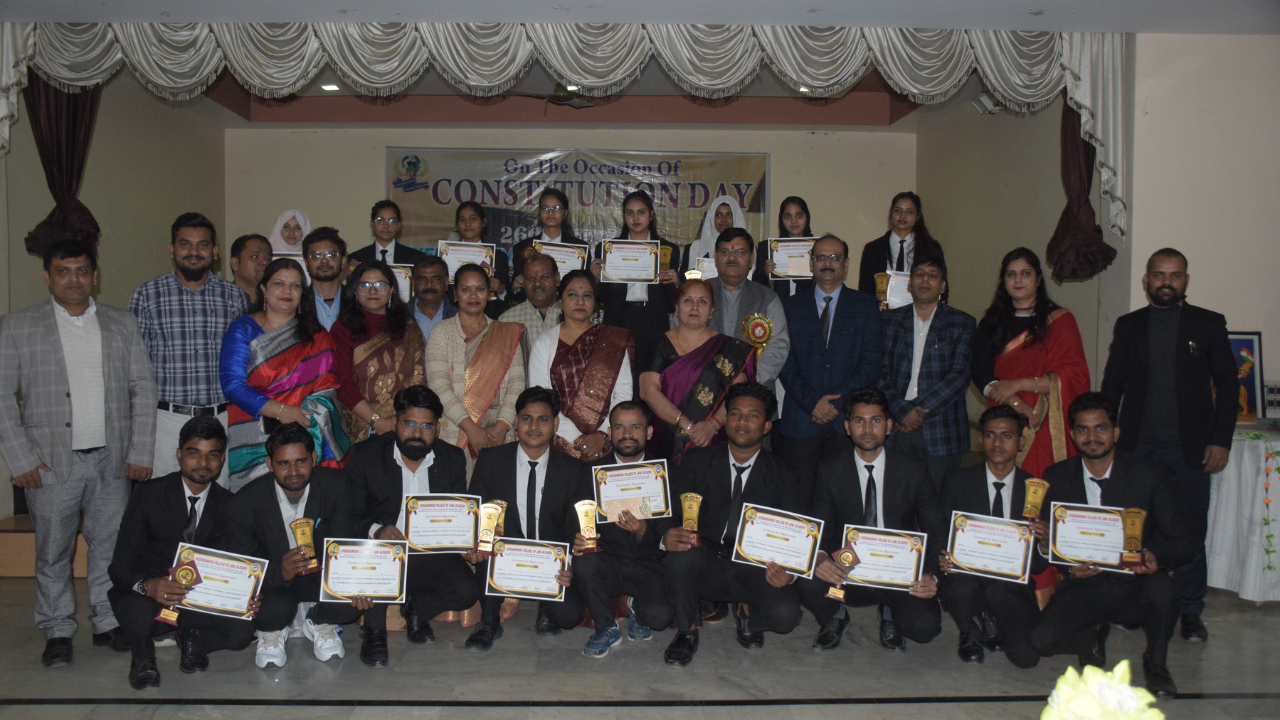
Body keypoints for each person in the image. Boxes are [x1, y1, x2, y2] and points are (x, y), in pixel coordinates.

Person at [0, 239, 157, 667]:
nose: (74, 279)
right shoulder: (18, 325)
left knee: (109, 546)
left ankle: (107, 621)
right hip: (50, 462)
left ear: (95, 275)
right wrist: (21, 460)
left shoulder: (121, 323)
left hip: (111, 459)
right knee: (53, 551)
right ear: (47, 276)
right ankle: (57, 628)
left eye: (82, 270)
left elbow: (143, 387)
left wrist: (140, 451)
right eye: (63, 271)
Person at [1100, 248, 1238, 643]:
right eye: (1159, 275)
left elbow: (1228, 386)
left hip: (1190, 450)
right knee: (1133, 529)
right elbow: (1113, 384)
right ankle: (1132, 605)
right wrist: (1105, 437)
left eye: (1175, 275)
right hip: (1137, 447)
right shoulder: (1129, 326)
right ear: (1146, 280)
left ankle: (1191, 611)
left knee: (1189, 530)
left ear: (1185, 281)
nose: (1166, 282)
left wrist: (1220, 441)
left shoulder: (1208, 324)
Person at [1030, 393, 1194, 699]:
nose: (1092, 437)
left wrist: (1155, 556)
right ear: (1072, 435)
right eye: (1083, 429)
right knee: (1042, 642)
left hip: (1136, 583)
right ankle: (1094, 629)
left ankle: (1156, 661)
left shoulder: (1150, 474)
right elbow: (1049, 549)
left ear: (1116, 432)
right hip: (1084, 585)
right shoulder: (1057, 476)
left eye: (1101, 428)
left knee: (1164, 590)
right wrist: (1060, 560)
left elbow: (1186, 541)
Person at [659, 382, 803, 667]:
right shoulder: (696, 461)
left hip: (755, 565)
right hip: (705, 557)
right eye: (735, 414)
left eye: (753, 416)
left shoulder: (785, 475)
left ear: (767, 426)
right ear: (725, 421)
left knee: (785, 617)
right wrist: (666, 535)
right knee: (681, 556)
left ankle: (746, 612)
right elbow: (670, 510)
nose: (742, 422)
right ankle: (687, 631)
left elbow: (797, 537)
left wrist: (790, 573)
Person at [106, 417, 256, 689]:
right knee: (138, 614)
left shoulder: (232, 505)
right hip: (151, 594)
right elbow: (119, 566)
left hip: (198, 598)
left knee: (241, 633)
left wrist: (246, 594)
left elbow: (236, 565)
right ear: (179, 455)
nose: (203, 463)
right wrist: (148, 586)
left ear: (222, 459)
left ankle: (193, 638)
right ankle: (143, 655)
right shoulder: (147, 494)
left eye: (212, 455)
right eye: (193, 453)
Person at [798, 386, 944, 653]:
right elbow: (820, 525)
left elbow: (936, 528)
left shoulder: (913, 469)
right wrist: (819, 557)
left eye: (875, 420)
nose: (867, 429)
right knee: (808, 582)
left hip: (898, 571)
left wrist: (932, 574)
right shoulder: (830, 469)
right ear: (847, 427)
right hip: (846, 572)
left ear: (888, 426)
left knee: (924, 628)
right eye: (859, 421)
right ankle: (836, 614)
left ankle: (890, 611)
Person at [345, 385, 482, 665]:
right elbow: (348, 514)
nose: (417, 434)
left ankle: (417, 610)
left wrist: (466, 543)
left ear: (438, 428)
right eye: (409, 424)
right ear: (396, 423)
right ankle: (374, 634)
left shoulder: (452, 459)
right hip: (383, 550)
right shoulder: (365, 455)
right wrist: (377, 530)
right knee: (377, 564)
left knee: (467, 591)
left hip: (430, 551)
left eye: (426, 426)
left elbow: (460, 517)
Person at [223, 423, 367, 669]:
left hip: (319, 576)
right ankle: (271, 631)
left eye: (301, 461)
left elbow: (342, 544)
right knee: (272, 610)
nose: (293, 471)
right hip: (275, 584)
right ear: (269, 464)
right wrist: (280, 571)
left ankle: (320, 621)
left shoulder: (335, 485)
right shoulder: (246, 502)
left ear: (314, 458)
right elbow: (244, 563)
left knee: (354, 601)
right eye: (283, 463)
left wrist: (356, 582)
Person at [463, 387, 593, 651]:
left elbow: (576, 528)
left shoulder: (574, 470)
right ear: (515, 422)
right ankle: (489, 622)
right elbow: (477, 514)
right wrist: (475, 542)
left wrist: (569, 564)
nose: (534, 427)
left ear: (555, 424)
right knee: (485, 543)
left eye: (543, 420)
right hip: (503, 559)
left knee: (569, 616)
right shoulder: (491, 461)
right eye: (526, 419)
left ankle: (547, 609)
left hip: (549, 564)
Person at [129, 213, 246, 482]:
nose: (194, 252)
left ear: (214, 251)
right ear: (172, 249)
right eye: (185, 244)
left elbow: (242, 362)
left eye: (202, 245)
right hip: (166, 421)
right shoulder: (146, 296)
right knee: (166, 499)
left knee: (218, 500)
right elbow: (134, 370)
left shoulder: (235, 297)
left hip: (220, 418)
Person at [219, 258, 349, 491]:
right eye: (279, 283)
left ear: (302, 293)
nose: (287, 291)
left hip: (303, 437)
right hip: (251, 436)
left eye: (295, 285)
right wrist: (281, 411)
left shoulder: (317, 337)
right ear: (263, 288)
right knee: (254, 503)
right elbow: (232, 385)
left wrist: (299, 421)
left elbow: (327, 389)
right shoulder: (243, 329)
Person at [778, 234, 883, 509]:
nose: (827, 263)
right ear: (811, 263)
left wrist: (837, 403)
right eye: (821, 257)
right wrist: (812, 402)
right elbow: (783, 360)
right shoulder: (789, 307)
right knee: (798, 500)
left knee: (844, 501)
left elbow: (872, 362)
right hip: (801, 418)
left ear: (846, 264)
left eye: (835, 257)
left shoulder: (866, 306)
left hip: (846, 421)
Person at [938, 405, 1043, 668]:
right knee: (957, 586)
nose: (997, 443)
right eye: (990, 435)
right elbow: (940, 531)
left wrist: (1042, 542)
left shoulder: (1035, 490)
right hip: (967, 577)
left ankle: (992, 617)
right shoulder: (957, 481)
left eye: (1007, 436)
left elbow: (1039, 566)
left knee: (1026, 658)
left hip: (1010, 585)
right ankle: (968, 630)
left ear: (1021, 442)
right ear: (981, 439)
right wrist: (943, 557)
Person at [972, 247, 1090, 477]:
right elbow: (979, 372)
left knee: (1042, 479)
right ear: (1003, 281)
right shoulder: (991, 323)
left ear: (1038, 279)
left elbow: (1075, 376)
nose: (1018, 280)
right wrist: (1014, 401)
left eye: (1025, 273)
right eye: (1011, 274)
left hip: (1046, 420)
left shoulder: (1060, 321)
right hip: (1003, 415)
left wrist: (1019, 384)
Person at [577, 400, 675, 657]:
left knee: (659, 618)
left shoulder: (665, 472)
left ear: (649, 432)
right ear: (609, 433)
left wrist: (644, 531)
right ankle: (606, 627)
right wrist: (579, 539)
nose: (627, 434)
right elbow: (576, 521)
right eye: (619, 427)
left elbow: (670, 528)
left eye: (635, 427)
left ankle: (636, 608)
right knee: (584, 559)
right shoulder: (590, 473)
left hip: (649, 564)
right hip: (607, 561)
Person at [877, 255, 974, 489]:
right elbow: (879, 371)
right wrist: (902, 411)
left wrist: (916, 412)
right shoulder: (888, 321)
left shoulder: (962, 322)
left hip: (942, 430)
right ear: (909, 283)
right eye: (919, 274)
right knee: (897, 498)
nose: (925, 280)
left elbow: (959, 375)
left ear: (943, 286)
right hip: (897, 426)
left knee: (939, 502)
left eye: (933, 275)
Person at [639, 279, 754, 464]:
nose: (695, 307)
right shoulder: (660, 344)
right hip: (667, 439)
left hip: (714, 439)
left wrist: (712, 425)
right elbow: (647, 391)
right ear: (676, 307)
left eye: (702, 301)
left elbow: (737, 395)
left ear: (712, 310)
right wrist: (687, 426)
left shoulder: (728, 348)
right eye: (687, 300)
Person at [528, 269, 633, 462]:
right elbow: (541, 397)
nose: (580, 301)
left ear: (595, 302)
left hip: (605, 442)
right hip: (557, 441)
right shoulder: (545, 342)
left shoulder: (613, 341)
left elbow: (623, 393)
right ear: (561, 302)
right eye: (572, 295)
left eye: (587, 296)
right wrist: (577, 439)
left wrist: (603, 434)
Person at [424, 263, 525, 463]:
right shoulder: (441, 332)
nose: (473, 296)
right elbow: (438, 386)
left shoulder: (505, 333)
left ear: (489, 293)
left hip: (498, 432)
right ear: (455, 293)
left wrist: (503, 425)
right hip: (455, 431)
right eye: (465, 289)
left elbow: (517, 383)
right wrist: (470, 428)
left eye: (480, 289)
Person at [330, 261, 426, 441]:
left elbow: (419, 379)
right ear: (355, 290)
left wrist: (403, 421)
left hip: (405, 424)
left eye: (380, 285)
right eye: (364, 285)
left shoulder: (408, 328)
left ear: (391, 290)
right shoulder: (342, 329)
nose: (372, 291)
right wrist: (377, 422)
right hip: (361, 426)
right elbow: (343, 383)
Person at [592, 190, 680, 385]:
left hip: (653, 321)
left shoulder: (667, 250)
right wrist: (596, 279)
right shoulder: (609, 249)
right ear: (624, 216)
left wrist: (676, 283)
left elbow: (670, 303)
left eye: (641, 212)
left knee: (649, 381)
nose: (635, 218)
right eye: (629, 213)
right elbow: (602, 298)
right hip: (618, 318)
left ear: (651, 214)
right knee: (617, 381)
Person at [704, 228, 790, 388]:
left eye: (740, 252)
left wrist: (748, 378)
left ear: (751, 259)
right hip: (704, 389)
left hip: (754, 390)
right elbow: (682, 338)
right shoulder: (698, 294)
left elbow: (778, 346)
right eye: (725, 252)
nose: (732, 258)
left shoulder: (767, 297)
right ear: (715, 257)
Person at [857, 192, 949, 304]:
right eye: (897, 210)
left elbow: (942, 287)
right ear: (890, 213)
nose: (902, 216)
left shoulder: (931, 248)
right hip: (880, 311)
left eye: (909, 212)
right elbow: (865, 289)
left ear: (918, 216)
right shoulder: (873, 248)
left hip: (919, 310)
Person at [512, 187, 587, 294]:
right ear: (539, 213)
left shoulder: (580, 248)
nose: (550, 213)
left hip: (568, 302)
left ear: (565, 213)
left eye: (556, 208)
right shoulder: (523, 248)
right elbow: (513, 292)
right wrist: (516, 286)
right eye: (545, 208)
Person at [499, 252, 562, 369]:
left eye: (544, 277)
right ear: (523, 282)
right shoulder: (507, 320)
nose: (537, 283)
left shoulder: (572, 316)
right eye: (531, 279)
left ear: (557, 279)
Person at [755, 195, 814, 298]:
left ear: (807, 217)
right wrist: (770, 277)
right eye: (788, 216)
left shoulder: (817, 248)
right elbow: (756, 290)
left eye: (799, 215)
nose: (794, 221)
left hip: (809, 304)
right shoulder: (767, 249)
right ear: (781, 219)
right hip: (777, 305)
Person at [452, 201, 511, 301]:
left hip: (489, 309)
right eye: (462, 220)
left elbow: (508, 300)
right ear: (457, 225)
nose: (467, 223)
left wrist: (501, 290)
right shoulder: (446, 255)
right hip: (453, 309)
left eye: (473, 219)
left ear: (483, 222)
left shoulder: (498, 258)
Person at [681, 195, 746, 279]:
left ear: (737, 217)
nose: (723, 219)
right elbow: (683, 283)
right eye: (718, 214)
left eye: (729, 214)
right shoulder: (695, 248)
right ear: (711, 217)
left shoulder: (748, 249)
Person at [349, 200, 429, 266]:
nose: (386, 226)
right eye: (380, 220)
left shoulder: (416, 258)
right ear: (372, 224)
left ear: (398, 226)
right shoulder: (356, 259)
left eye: (392, 221)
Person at [302, 227, 347, 331]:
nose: (324, 261)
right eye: (316, 256)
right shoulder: (298, 301)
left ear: (343, 261)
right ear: (306, 263)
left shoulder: (356, 300)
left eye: (331, 255)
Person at [410, 255, 457, 341]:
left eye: (436, 279)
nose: (429, 285)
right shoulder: (398, 318)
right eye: (422, 279)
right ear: (413, 283)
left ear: (446, 283)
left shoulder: (459, 318)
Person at [229, 233, 273, 304]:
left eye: (268, 258)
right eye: (255, 256)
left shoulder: (276, 302)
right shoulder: (222, 300)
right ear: (235, 263)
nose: (265, 262)